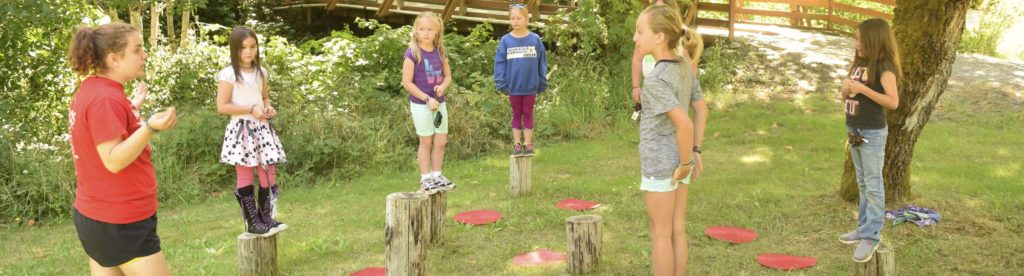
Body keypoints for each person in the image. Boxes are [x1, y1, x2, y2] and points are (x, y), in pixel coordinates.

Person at [67, 22, 177, 275]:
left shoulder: (92, 90)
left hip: (96, 215)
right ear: (114, 59)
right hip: (121, 220)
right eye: (137, 49)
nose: (144, 55)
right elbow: (113, 160)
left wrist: (131, 109)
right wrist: (150, 127)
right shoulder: (106, 99)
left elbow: (103, 131)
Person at [634, 5, 704, 275]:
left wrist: (687, 161)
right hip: (679, 161)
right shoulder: (684, 66)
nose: (635, 38)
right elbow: (701, 108)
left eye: (640, 32)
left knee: (661, 233)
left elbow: (685, 122)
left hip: (664, 164)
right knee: (677, 229)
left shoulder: (655, 79)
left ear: (660, 37)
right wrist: (694, 152)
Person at [837, 18, 901, 263]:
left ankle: (871, 237)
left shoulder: (884, 67)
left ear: (874, 39)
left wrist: (862, 89)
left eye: (860, 39)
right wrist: (845, 90)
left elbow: (892, 102)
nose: (856, 43)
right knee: (863, 182)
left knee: (873, 186)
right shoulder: (859, 64)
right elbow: (849, 98)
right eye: (856, 39)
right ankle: (863, 229)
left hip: (872, 133)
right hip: (854, 129)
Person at [216, 26, 288, 237]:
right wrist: (250, 110)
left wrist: (268, 107)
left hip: (262, 127)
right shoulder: (229, 74)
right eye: (242, 48)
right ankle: (252, 222)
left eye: (252, 46)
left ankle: (266, 217)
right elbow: (222, 106)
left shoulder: (260, 72)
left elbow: (264, 96)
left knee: (269, 171)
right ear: (234, 49)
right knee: (246, 172)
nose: (248, 52)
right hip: (242, 130)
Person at [402, 12, 456, 194]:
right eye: (421, 29)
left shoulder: (441, 51)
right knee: (426, 141)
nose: (425, 33)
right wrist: (426, 98)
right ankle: (426, 179)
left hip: (439, 104)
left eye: (429, 29)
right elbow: (407, 83)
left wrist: (442, 87)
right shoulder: (412, 53)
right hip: (421, 105)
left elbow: (448, 76)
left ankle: (437, 175)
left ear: (437, 31)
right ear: (416, 31)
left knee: (440, 141)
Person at [494, 3, 548, 156]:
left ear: (526, 19)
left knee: (528, 113)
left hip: (530, 86)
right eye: (513, 18)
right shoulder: (506, 41)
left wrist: (542, 82)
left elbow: (541, 63)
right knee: (517, 113)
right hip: (514, 87)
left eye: (519, 18)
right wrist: (501, 83)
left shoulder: (535, 39)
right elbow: (500, 63)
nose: (516, 21)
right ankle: (517, 144)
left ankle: (528, 144)